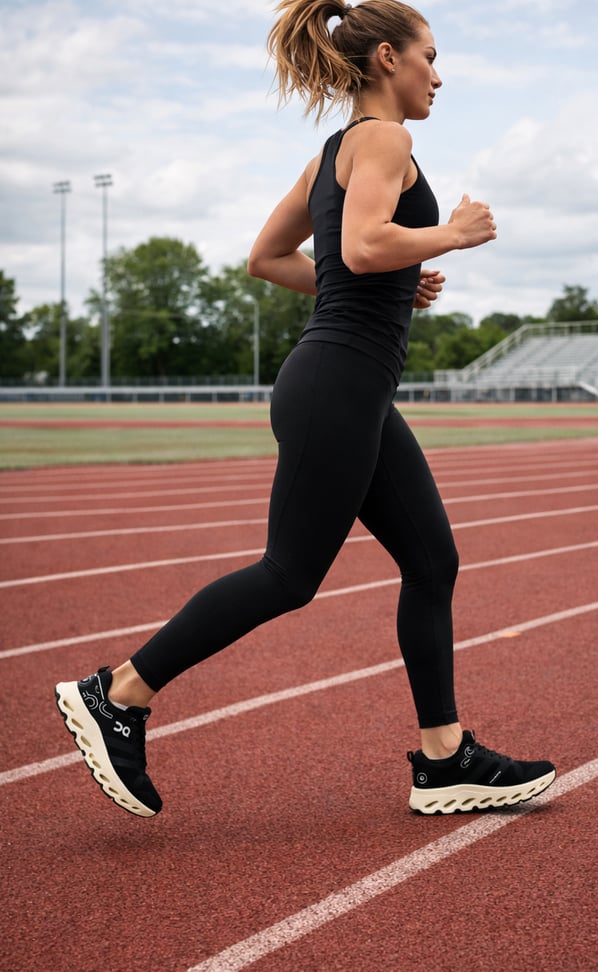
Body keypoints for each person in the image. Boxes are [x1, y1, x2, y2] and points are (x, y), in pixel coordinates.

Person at [54, 0, 555, 818]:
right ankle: (118, 693)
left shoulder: (332, 152)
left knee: (433, 563)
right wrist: (451, 235)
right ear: (388, 57)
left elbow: (268, 258)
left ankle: (444, 757)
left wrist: (399, 274)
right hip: (339, 384)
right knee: (289, 574)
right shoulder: (388, 140)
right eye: (431, 55)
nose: (440, 73)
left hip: (346, 385)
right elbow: (359, 247)